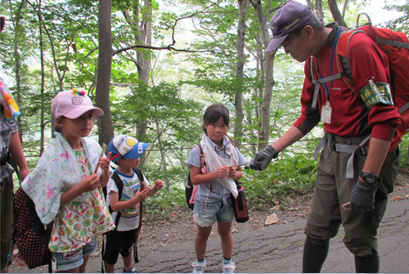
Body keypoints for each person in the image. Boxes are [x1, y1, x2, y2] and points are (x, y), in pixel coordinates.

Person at [250, 1, 402, 273]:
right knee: (317, 230)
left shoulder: (355, 48)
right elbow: (310, 116)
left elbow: (385, 119)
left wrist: (368, 180)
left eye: (287, 43)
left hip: (365, 155)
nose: (285, 50)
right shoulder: (313, 64)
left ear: (308, 32)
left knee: (360, 238)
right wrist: (272, 150)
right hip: (331, 154)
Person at [21, 88, 115, 273]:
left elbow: (99, 186)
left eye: (89, 117)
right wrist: (79, 188)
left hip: (89, 223)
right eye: (79, 117)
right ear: (60, 120)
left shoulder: (92, 147)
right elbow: (47, 201)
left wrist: (103, 174)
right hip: (67, 230)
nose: (86, 123)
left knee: (82, 270)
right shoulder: (53, 156)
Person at [187, 104, 246, 273]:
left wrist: (233, 174)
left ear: (228, 127)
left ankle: (227, 263)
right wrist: (215, 174)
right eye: (213, 125)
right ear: (205, 124)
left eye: (223, 126)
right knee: (203, 234)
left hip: (226, 199)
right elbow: (195, 179)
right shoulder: (198, 150)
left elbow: (240, 172)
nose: (218, 130)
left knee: (226, 233)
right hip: (206, 200)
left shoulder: (231, 148)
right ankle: (200, 263)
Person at [103, 135, 164, 273]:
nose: (138, 158)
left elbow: (145, 194)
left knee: (128, 248)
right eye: (133, 156)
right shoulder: (115, 179)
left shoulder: (137, 173)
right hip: (116, 226)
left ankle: (128, 269)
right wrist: (134, 200)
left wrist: (154, 189)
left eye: (138, 155)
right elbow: (114, 206)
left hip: (132, 222)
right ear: (120, 160)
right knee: (111, 254)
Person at [0, 16, 30, 273]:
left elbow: (10, 128)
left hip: (2, 176)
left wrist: (23, 168)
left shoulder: (1, 86)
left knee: (4, 240)